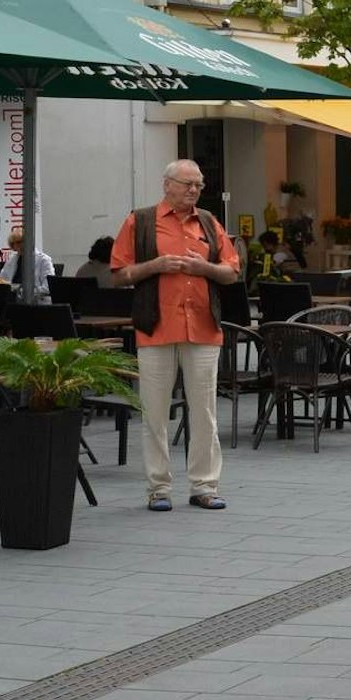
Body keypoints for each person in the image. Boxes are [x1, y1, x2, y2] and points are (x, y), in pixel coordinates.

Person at [110, 159, 242, 513]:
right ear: (167, 184)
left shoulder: (209, 223)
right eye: (188, 184)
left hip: (202, 326)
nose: (194, 190)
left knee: (205, 412)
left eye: (198, 185)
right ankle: (158, 488)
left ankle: (204, 486)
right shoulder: (140, 221)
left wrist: (205, 269)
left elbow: (231, 272)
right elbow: (119, 274)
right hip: (156, 326)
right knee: (154, 412)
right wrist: (154, 266)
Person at [0, 228, 55, 299]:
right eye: (17, 243)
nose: (21, 245)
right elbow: (1, 281)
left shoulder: (44, 260)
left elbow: (48, 288)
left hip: (36, 301)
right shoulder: (12, 259)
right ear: (13, 246)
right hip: (13, 300)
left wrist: (24, 292)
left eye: (23, 241)